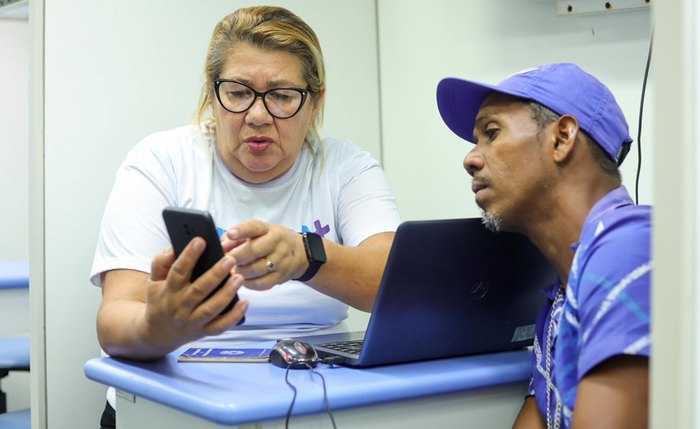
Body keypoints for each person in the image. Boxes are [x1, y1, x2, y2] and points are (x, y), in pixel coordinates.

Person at [90, 6, 400, 428]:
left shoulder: (345, 169)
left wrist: (304, 255)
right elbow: (114, 321)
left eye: (282, 95)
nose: (257, 115)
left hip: (313, 396)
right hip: (173, 399)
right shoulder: (162, 162)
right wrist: (161, 325)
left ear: (315, 100)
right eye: (237, 92)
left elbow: (392, 284)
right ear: (211, 93)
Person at [436, 63, 651, 428]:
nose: (470, 159)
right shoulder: (559, 301)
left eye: (491, 132)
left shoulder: (628, 250)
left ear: (562, 137)